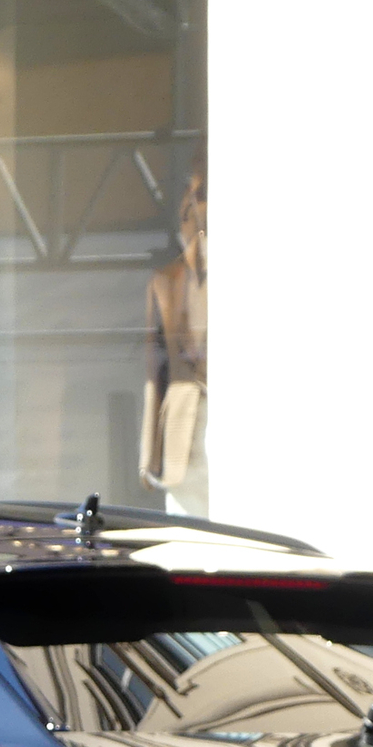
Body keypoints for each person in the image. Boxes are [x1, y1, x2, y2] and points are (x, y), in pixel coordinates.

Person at [140, 167, 207, 517]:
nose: (194, 215)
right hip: (184, 431)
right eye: (187, 209)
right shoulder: (167, 282)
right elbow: (156, 369)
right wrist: (148, 451)